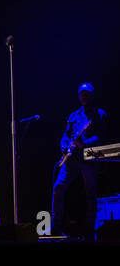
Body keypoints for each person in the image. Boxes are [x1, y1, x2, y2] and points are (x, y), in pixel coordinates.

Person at [51, 83, 107, 239]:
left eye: (87, 93)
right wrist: (63, 146)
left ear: (92, 95)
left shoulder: (99, 114)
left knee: (90, 193)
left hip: (89, 157)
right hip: (71, 159)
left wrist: (84, 143)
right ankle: (55, 228)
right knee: (58, 188)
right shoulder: (74, 116)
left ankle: (90, 231)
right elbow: (66, 135)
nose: (84, 96)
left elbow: (100, 137)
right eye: (82, 93)